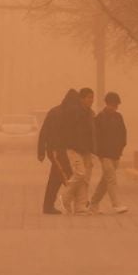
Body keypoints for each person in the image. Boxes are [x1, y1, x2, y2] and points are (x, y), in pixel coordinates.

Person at [38, 90, 78, 215]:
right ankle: (79, 200)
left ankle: (49, 205)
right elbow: (44, 132)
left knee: (58, 177)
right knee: (65, 175)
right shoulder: (58, 113)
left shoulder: (64, 112)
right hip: (56, 150)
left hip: (61, 150)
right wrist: (41, 151)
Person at [89, 92, 129, 214]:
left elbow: (123, 134)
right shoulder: (99, 118)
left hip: (116, 154)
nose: (115, 107)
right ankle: (116, 205)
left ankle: (94, 203)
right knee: (111, 177)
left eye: (116, 105)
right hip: (104, 154)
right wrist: (98, 152)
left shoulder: (118, 117)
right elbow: (96, 137)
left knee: (105, 181)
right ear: (107, 104)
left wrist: (121, 148)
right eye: (113, 105)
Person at [61, 87, 97, 215]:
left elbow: (92, 132)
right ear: (81, 99)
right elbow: (69, 130)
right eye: (88, 97)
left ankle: (80, 206)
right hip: (74, 148)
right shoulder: (74, 112)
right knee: (80, 173)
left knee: (85, 179)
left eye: (92, 97)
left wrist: (94, 149)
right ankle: (65, 198)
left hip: (87, 150)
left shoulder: (90, 113)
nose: (91, 100)